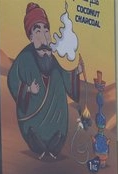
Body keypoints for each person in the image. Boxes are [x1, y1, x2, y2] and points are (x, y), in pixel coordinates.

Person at [7, 3, 84, 160]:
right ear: (31, 36)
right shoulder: (24, 58)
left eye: (46, 30)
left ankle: (56, 140)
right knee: (35, 135)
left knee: (56, 78)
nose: (43, 34)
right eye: (38, 30)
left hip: (55, 117)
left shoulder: (51, 57)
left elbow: (63, 75)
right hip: (33, 115)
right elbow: (12, 80)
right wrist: (28, 89)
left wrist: (76, 71)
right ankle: (38, 143)